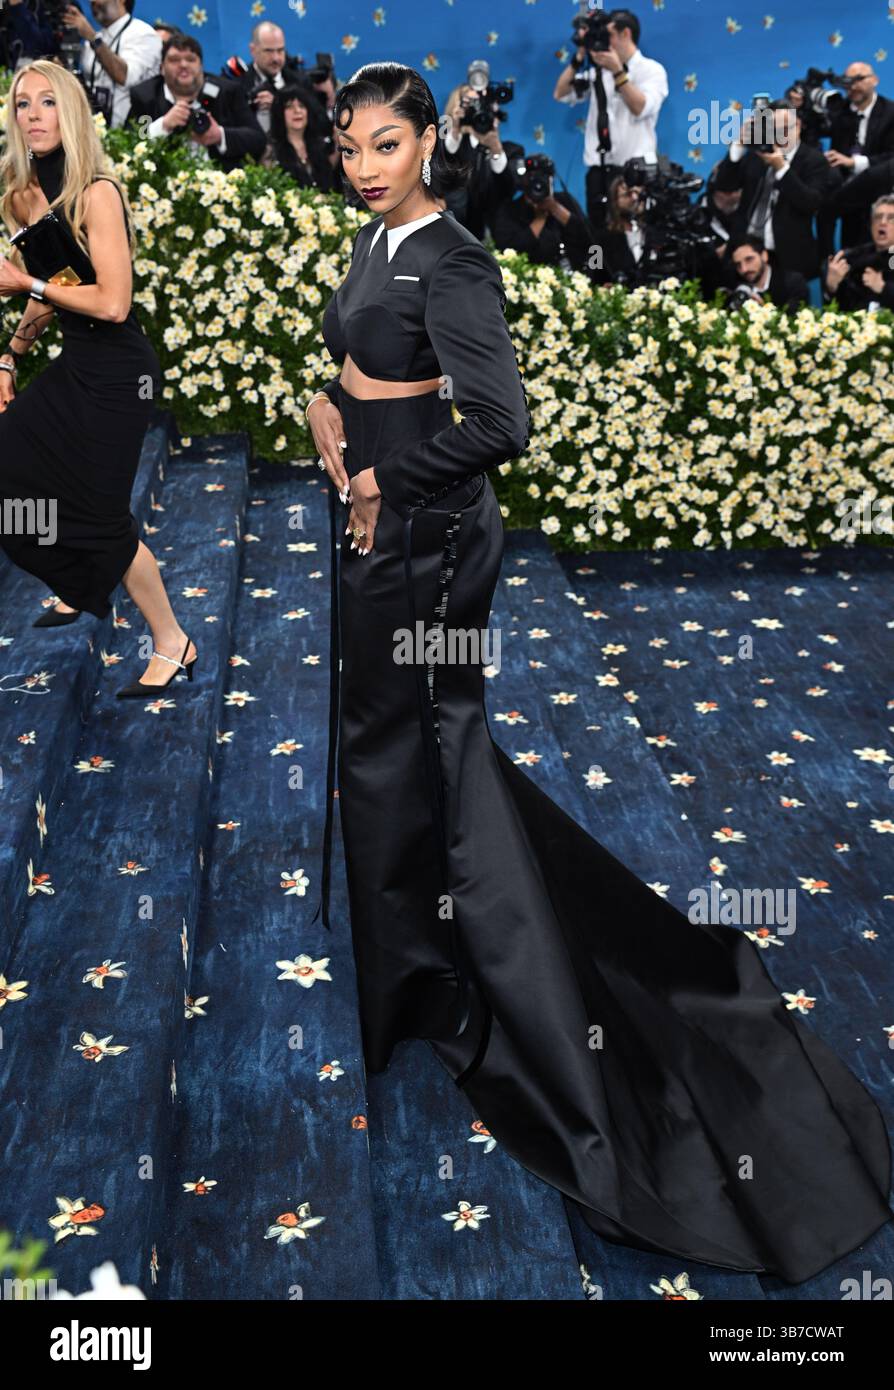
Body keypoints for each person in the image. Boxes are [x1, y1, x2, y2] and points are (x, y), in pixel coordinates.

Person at [302, 60, 893, 1284]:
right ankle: (414, 966)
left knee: (428, 748)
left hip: (425, 544)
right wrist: (329, 414)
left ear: (427, 146)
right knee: (391, 747)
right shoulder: (373, 245)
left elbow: (498, 423)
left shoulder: (454, 256)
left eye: (386, 145)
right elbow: (369, 374)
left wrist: (380, 477)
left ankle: (514, 1011)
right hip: (377, 527)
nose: (363, 164)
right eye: (351, 145)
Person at [0, 61, 197, 694]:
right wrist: (10, 355)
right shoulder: (22, 194)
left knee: (102, 516)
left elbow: (112, 302)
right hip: (76, 363)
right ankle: (75, 576)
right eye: (22, 103)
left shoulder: (98, 193)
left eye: (47, 102)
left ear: (73, 113)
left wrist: (22, 281)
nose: (33, 114)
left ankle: (172, 641)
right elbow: (55, 289)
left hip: (119, 374)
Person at [553, 7, 668, 231]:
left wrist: (617, 72)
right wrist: (579, 57)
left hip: (636, 172)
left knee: (638, 231)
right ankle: (598, 267)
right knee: (599, 238)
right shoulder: (599, 72)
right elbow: (561, 93)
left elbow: (640, 107)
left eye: (609, 35)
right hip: (599, 172)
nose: (605, 41)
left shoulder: (652, 70)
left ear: (625, 34)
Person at [125, 33, 265, 173]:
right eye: (174, 60)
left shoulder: (227, 92)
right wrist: (163, 125)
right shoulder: (145, 96)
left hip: (221, 183)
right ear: (161, 68)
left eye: (191, 59)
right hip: (163, 183)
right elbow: (128, 143)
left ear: (201, 66)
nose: (183, 65)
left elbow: (257, 139)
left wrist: (219, 136)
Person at [64, 0, 162, 129]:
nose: (93, 2)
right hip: (97, 131)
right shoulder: (92, 42)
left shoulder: (143, 34)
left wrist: (93, 39)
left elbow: (125, 77)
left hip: (133, 133)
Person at [823, 194, 894, 311]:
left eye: (891, 218)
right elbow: (837, 312)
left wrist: (883, 288)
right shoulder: (853, 259)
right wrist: (831, 288)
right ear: (871, 224)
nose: (882, 222)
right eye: (878, 217)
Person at [263, 82, 337, 191]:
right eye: (289, 107)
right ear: (279, 113)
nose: (297, 111)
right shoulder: (271, 151)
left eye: (302, 106)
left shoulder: (319, 145)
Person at [728, 234, 809, 311]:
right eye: (738, 265)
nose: (744, 269)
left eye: (749, 259)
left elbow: (794, 319)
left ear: (764, 256)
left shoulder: (792, 282)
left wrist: (764, 312)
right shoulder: (736, 290)